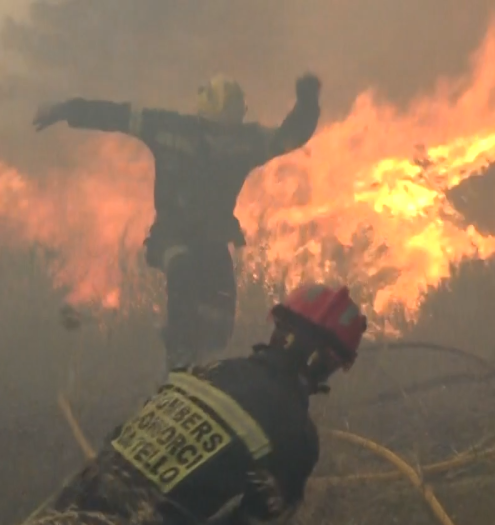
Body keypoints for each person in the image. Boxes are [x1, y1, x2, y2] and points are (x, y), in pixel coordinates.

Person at [33, 74, 322, 370]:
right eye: (223, 122)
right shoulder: (168, 128)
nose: (225, 134)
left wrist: (308, 100)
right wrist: (65, 109)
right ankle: (178, 358)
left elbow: (291, 136)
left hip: (213, 240)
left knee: (221, 314)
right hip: (171, 236)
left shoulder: (245, 142)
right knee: (182, 271)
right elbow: (115, 115)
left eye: (232, 122)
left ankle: (204, 368)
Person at [21, 284, 366, 525]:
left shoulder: (205, 374)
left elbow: (119, 439)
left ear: (277, 329)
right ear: (328, 363)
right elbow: (260, 519)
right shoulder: (295, 434)